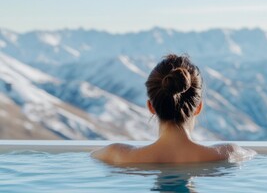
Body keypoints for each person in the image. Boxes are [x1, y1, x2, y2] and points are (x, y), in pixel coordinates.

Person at [91, 54, 255, 164]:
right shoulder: (229, 153)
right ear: (198, 107)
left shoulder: (116, 154)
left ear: (151, 107)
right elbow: (253, 154)